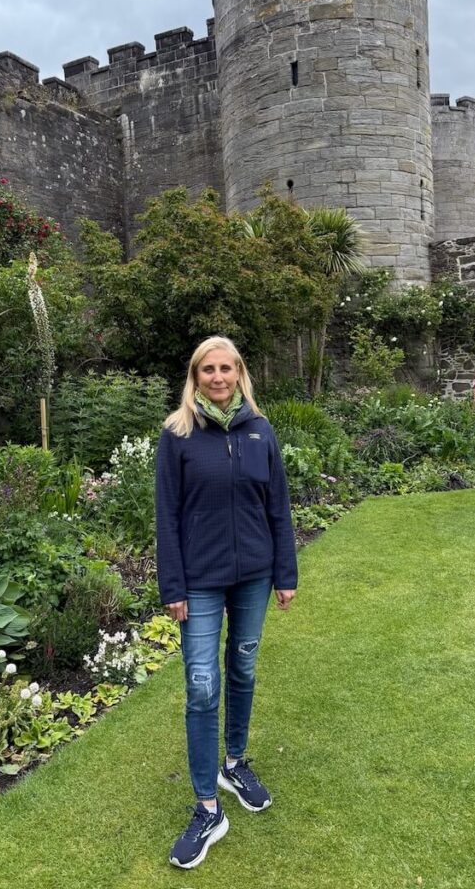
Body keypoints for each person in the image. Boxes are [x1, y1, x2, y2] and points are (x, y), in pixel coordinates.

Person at [155, 335, 298, 869]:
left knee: (242, 668)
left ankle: (234, 763)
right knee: (200, 685)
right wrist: (173, 586)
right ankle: (208, 809)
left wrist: (285, 573)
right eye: (207, 370)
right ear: (195, 377)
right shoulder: (177, 434)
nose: (217, 377)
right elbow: (166, 515)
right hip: (199, 581)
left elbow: (278, 506)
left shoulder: (260, 431)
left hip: (254, 576)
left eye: (226, 368)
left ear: (240, 373)